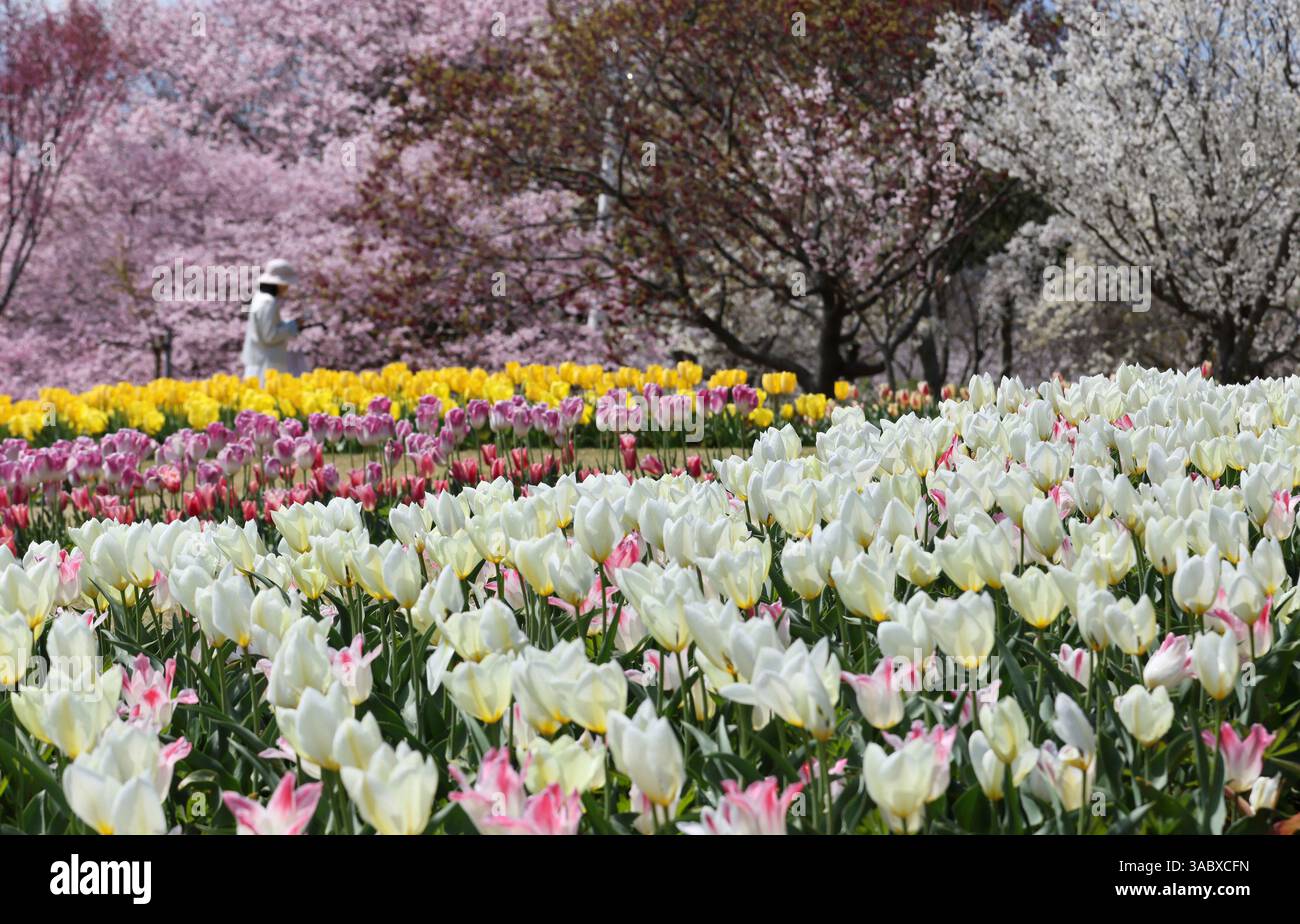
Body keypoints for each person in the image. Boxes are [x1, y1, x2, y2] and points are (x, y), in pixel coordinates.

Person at [241, 259, 320, 384]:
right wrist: (293, 325)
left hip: (258, 360)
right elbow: (270, 336)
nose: (287, 287)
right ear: (279, 283)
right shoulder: (268, 302)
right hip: (266, 363)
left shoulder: (259, 298)